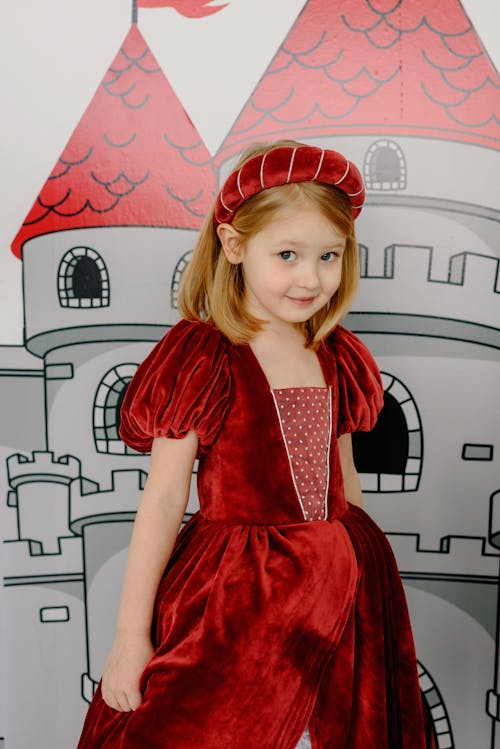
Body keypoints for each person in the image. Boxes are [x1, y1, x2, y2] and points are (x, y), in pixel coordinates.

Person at [77, 140, 426, 748]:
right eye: (287, 254)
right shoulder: (203, 357)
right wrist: (131, 637)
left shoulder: (338, 356)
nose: (310, 277)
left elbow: (346, 483)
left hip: (343, 580)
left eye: (329, 256)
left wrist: (366, 587)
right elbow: (162, 500)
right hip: (240, 589)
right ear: (236, 246)